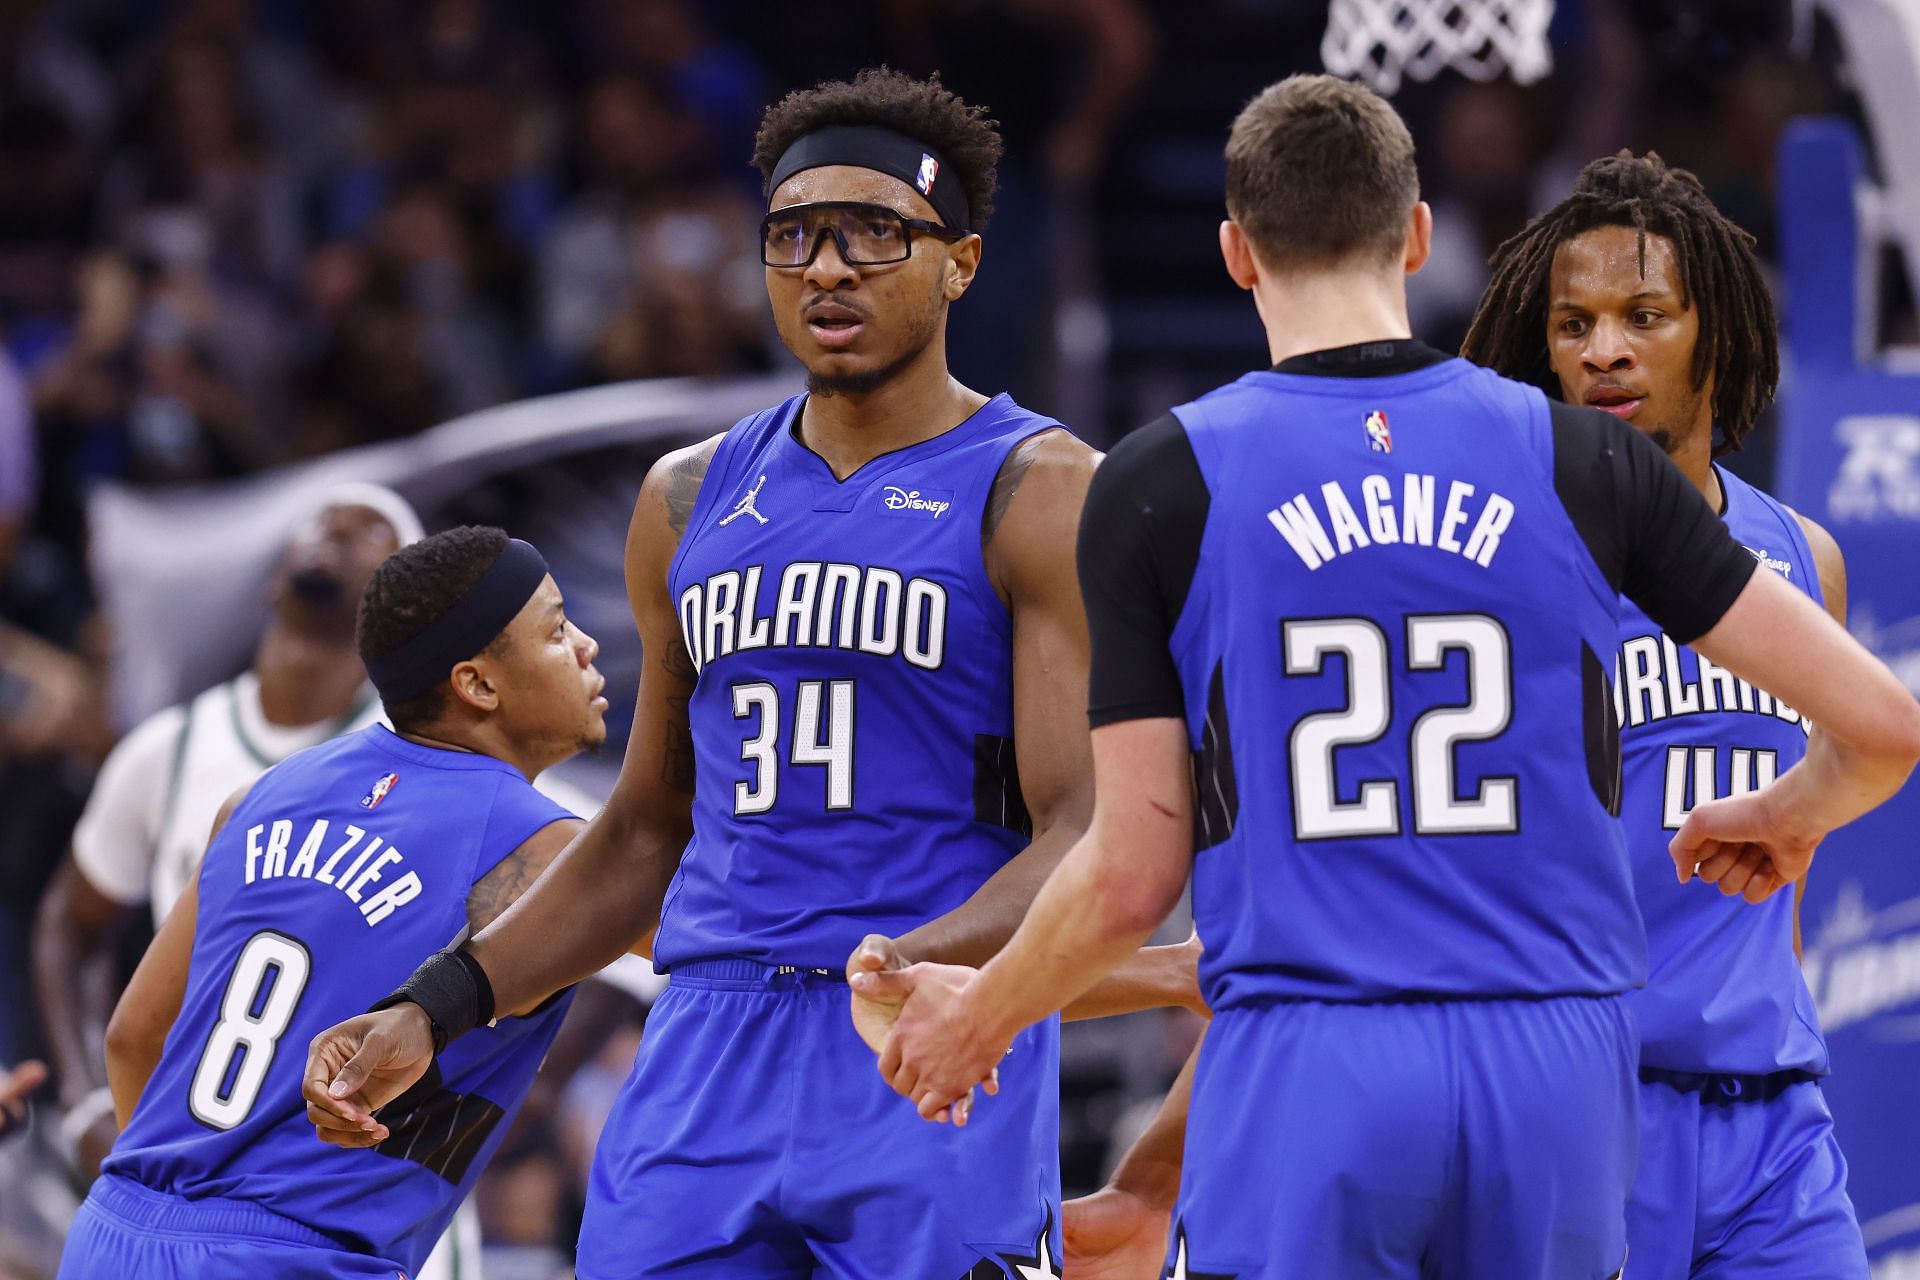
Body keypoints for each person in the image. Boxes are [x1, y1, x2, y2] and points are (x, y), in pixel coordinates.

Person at [857, 75, 1920, 1279]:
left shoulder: (1159, 480)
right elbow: (1883, 723)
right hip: (1560, 1066)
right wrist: (1786, 811)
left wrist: (980, 1015)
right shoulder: (1577, 463)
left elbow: (1135, 872)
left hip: (1323, 1057)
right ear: (1416, 233)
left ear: (1236, 252)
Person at [304, 68, 1196, 1279]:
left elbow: (1083, 828)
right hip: (706, 1049)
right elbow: (638, 834)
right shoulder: (685, 497)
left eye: (876, 233)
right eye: (794, 236)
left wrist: (913, 961)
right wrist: (440, 1001)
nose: (828, 268)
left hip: (923, 1033)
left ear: (962, 262)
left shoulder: (1041, 490)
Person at [1458, 150, 1870, 1277]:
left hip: (1776, 1122)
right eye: (1573, 323)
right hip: (1585, 1111)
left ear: (1716, 335)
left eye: (1645, 315)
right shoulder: (1509, 564)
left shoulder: (1803, 558)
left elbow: (1795, 858)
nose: (1605, 350)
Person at [57, 526, 609, 1280]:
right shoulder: (541, 846)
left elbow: (130, 1036)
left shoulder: (259, 795)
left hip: (117, 1230)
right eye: (556, 630)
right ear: (477, 683)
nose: (587, 646)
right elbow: (741, 926)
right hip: (295, 1253)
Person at [31, 483, 421, 1180]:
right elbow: (69, 922)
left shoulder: (419, 762)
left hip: (347, 1159)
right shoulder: (169, 748)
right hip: (186, 1141)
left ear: (404, 611)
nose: (333, 531)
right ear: (273, 581)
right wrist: (88, 1099)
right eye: (321, 523)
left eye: (369, 533)